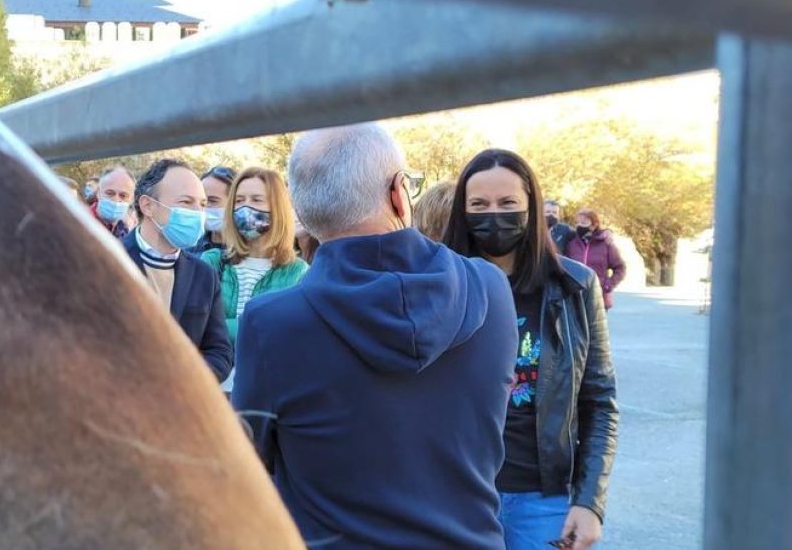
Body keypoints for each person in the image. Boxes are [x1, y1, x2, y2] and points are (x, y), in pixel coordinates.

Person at [233, 123, 517, 549]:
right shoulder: (490, 289)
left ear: (302, 211)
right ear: (399, 193)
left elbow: (252, 458)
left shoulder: (270, 323)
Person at [443, 149, 619, 550]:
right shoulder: (438, 284)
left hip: (543, 501)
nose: (494, 215)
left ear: (531, 206)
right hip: (455, 496)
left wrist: (590, 501)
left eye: (508, 204)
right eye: (479, 205)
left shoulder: (575, 286)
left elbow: (600, 400)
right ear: (462, 211)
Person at [123, 159, 233, 381]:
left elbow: (220, 353)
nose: (198, 213)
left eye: (202, 204)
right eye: (186, 202)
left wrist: (182, 380)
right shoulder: (109, 261)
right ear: (148, 205)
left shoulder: (204, 275)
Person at [200, 167, 308, 393]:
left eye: (257, 200)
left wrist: (224, 326)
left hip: (267, 395)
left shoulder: (298, 273)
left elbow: (287, 340)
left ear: (277, 208)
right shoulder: (212, 261)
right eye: (239, 200)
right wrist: (256, 327)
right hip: (212, 391)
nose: (245, 207)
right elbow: (199, 327)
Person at [564, 209, 627, 310]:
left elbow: (620, 268)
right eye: (578, 222)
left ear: (594, 225)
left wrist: (608, 285)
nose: (580, 225)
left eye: (584, 223)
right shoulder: (571, 244)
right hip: (575, 297)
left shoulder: (606, 244)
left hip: (598, 297)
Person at [194, 166, 237, 253]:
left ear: (235, 203)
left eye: (212, 201)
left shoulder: (254, 252)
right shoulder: (189, 247)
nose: (204, 207)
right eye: (202, 201)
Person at [89, 166, 135, 238]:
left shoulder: (124, 229)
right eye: (110, 193)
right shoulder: (82, 223)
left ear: (131, 199)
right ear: (98, 193)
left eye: (123, 196)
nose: (116, 199)